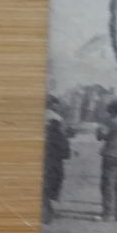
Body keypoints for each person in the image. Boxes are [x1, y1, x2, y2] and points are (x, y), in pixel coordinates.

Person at [42, 95, 71, 223]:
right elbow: (66, 152)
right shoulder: (57, 119)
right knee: (49, 187)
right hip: (54, 164)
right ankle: (47, 212)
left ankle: (46, 210)